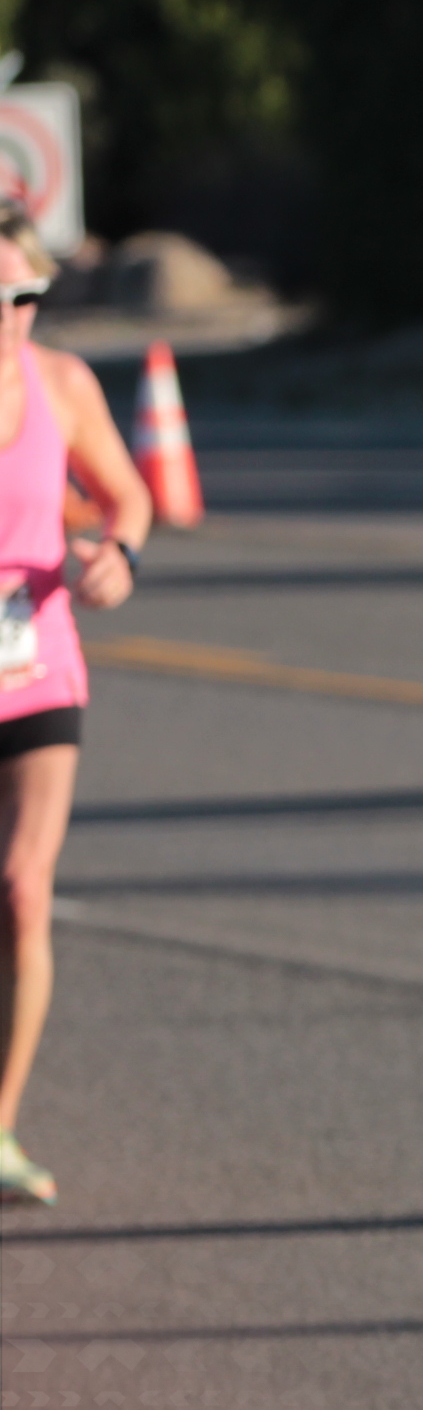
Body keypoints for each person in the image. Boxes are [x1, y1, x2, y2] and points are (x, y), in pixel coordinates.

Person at [0, 203, 157, 1207]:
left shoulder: (60, 383)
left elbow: (127, 494)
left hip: (36, 665)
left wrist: (119, 555)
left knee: (22, 888)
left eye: (25, 294)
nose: (9, 312)